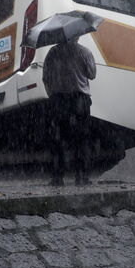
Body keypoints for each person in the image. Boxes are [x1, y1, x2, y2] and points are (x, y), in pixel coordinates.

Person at [42, 37, 97, 186]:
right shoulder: (84, 52)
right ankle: (81, 177)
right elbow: (92, 74)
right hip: (80, 100)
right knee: (82, 139)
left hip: (58, 100)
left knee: (57, 139)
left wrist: (52, 94)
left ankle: (57, 177)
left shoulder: (52, 53)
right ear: (77, 35)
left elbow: (45, 77)